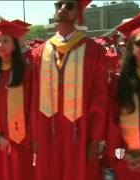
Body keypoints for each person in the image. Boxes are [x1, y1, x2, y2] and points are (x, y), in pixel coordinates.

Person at [30, 0, 108, 179]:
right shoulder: (40, 52)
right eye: (59, 5)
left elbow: (100, 98)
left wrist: (95, 140)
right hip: (47, 133)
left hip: (80, 136)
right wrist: (35, 136)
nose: (62, 9)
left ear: (79, 12)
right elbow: (34, 98)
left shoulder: (93, 50)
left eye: (69, 5)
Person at [0, 20, 33, 180]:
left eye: (5, 40)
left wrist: (9, 137)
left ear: (15, 44)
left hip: (18, 141)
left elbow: (29, 108)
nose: (0, 44)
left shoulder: (26, 71)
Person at [106, 27, 140, 180]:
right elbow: (111, 123)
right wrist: (123, 155)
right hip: (127, 158)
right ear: (131, 47)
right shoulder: (118, 82)